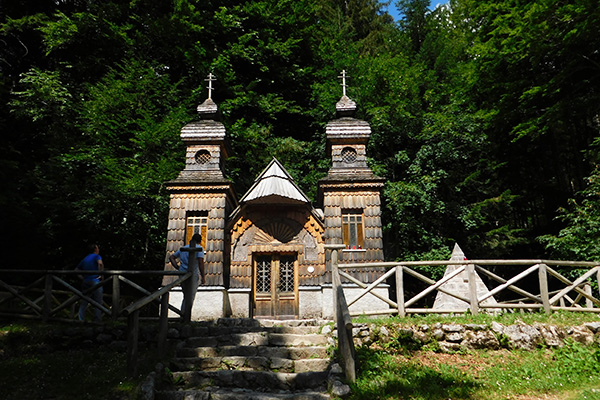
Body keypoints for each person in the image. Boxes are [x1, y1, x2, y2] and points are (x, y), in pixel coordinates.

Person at [169, 233, 205, 316]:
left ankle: (182, 314)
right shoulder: (199, 249)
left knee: (185, 294)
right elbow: (200, 262)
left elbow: (172, 257)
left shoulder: (184, 248)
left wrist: (177, 267)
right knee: (191, 295)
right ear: (199, 241)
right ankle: (186, 315)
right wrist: (203, 276)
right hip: (193, 273)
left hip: (182, 272)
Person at [76, 244, 104, 322]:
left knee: (84, 300)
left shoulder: (85, 258)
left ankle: (80, 319)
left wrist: (82, 278)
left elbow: (76, 270)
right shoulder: (97, 256)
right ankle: (97, 320)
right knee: (98, 301)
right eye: (98, 248)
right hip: (95, 281)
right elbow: (100, 263)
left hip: (86, 281)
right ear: (95, 249)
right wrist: (100, 274)